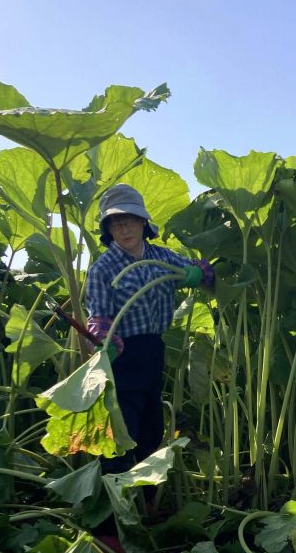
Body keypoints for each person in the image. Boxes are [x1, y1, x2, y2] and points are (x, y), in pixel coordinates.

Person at [85, 183, 213, 506]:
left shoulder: (161, 256)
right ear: (108, 230)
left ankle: (143, 507)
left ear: (143, 222)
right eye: (116, 223)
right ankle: (111, 517)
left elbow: (196, 269)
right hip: (122, 358)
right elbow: (97, 317)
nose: (124, 228)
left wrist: (199, 273)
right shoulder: (102, 269)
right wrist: (102, 339)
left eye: (129, 220)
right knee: (119, 435)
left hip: (154, 352)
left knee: (150, 430)